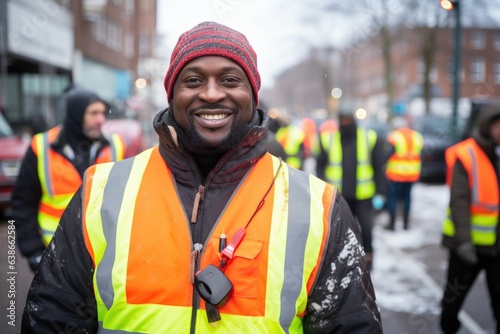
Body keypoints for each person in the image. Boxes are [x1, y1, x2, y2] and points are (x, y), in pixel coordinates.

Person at [22, 21, 382, 333]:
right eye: (193, 80)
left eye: (230, 79)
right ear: (173, 94)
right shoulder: (100, 192)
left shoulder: (319, 207)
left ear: (252, 95)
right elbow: (54, 317)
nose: (211, 94)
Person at [11, 87, 126, 273]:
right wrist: (33, 252)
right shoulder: (41, 146)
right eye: (94, 113)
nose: (101, 120)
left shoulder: (116, 146)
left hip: (103, 255)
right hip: (56, 254)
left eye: (103, 113)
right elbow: (23, 203)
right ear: (76, 114)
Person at [440, 104, 500, 334]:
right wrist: (464, 242)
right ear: (487, 126)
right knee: (452, 301)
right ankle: (448, 329)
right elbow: (459, 201)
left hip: (497, 248)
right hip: (468, 248)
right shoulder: (466, 155)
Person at [316, 107, 387, 270]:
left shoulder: (370, 138)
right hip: (339, 197)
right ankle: (343, 262)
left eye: (348, 119)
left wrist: (381, 193)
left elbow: (378, 167)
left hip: (364, 196)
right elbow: (320, 167)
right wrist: (322, 190)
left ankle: (368, 260)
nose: (346, 123)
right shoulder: (328, 139)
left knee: (366, 230)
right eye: (343, 119)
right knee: (339, 233)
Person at [384, 116, 424, 231]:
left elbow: (387, 154)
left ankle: (392, 224)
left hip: (396, 175)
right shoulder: (417, 136)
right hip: (412, 174)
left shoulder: (394, 137)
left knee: (393, 199)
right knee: (407, 199)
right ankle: (406, 224)